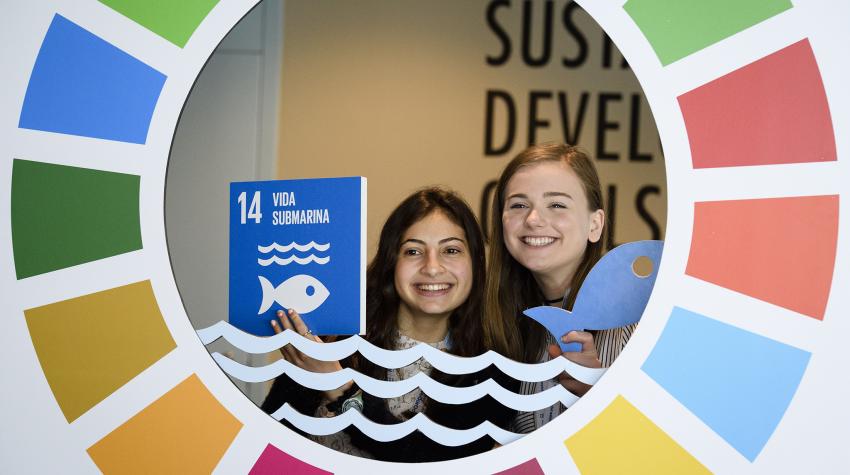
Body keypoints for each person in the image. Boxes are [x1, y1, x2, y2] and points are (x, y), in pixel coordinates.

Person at [261, 187, 514, 461]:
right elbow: (266, 448)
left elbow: (430, 462)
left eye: (451, 250)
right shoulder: (332, 342)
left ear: (475, 264)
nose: (432, 267)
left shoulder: (492, 372)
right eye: (413, 251)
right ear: (391, 261)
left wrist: (340, 387)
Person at [483, 142, 635, 433]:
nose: (533, 219)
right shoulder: (496, 322)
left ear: (595, 225)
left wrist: (598, 393)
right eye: (518, 204)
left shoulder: (642, 319)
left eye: (556, 204)